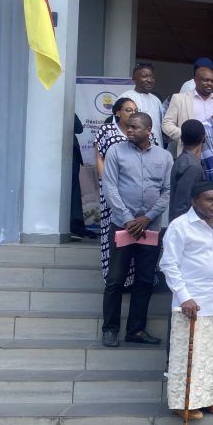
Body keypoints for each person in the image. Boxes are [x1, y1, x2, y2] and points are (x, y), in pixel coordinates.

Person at [159, 181, 213, 420]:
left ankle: (209, 399)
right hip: (191, 303)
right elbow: (168, 265)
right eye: (209, 200)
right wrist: (184, 297)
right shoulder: (180, 226)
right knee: (186, 355)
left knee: (210, 354)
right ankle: (182, 403)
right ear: (194, 201)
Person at [101, 112, 173, 348]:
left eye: (134, 127)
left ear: (148, 130)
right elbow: (110, 187)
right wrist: (129, 219)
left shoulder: (164, 156)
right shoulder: (115, 152)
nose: (129, 130)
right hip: (122, 226)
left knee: (144, 280)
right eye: (128, 127)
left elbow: (167, 191)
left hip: (150, 229)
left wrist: (147, 218)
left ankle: (136, 330)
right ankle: (110, 329)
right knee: (115, 280)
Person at [94, 97, 145, 286]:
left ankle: (133, 280)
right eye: (128, 110)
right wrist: (107, 183)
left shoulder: (142, 133)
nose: (132, 113)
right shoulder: (106, 130)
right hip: (111, 190)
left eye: (135, 110)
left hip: (135, 191)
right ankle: (114, 279)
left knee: (135, 231)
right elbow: (99, 158)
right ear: (117, 112)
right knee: (113, 232)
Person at [162, 65, 213, 154]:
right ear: (195, 80)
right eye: (206, 80)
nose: (210, 83)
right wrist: (186, 136)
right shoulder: (179, 99)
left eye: (212, 81)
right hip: (189, 151)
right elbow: (166, 124)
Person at [169, 120, 207, 220]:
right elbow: (182, 206)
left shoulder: (184, 160)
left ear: (181, 138)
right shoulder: (191, 166)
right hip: (186, 226)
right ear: (204, 138)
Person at [120, 62, 164, 148]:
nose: (149, 80)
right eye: (144, 76)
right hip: (130, 148)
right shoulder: (125, 98)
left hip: (155, 148)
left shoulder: (156, 100)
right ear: (134, 78)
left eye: (152, 77)